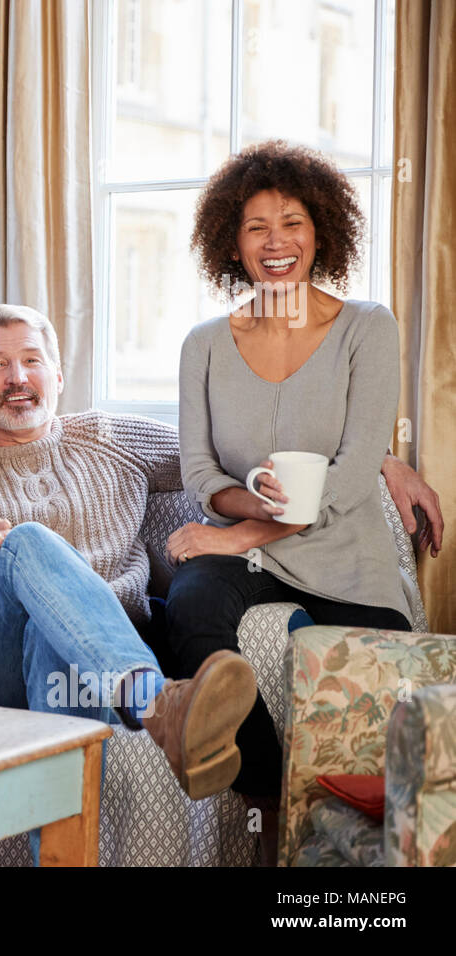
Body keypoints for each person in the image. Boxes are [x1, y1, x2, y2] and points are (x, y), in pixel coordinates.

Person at [0, 304, 442, 803]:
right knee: (27, 541)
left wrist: (376, 459)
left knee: (54, 642)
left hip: (95, 664)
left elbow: (227, 455)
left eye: (32, 360)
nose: (17, 377)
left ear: (58, 375)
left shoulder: (111, 438)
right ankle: (157, 704)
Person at [163, 140, 439, 852]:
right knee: (191, 601)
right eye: (256, 226)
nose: (275, 241)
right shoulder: (204, 344)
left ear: (323, 232)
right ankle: (268, 784)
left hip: (345, 550)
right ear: (232, 241)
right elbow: (199, 470)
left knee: (385, 688)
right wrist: (246, 509)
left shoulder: (366, 328)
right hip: (254, 545)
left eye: (292, 222)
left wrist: (237, 538)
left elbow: (348, 476)